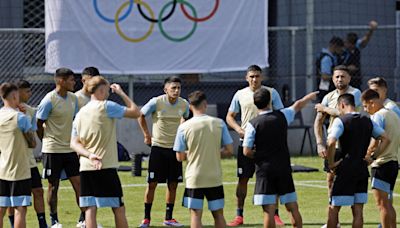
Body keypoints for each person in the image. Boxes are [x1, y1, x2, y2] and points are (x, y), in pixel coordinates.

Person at [70, 76, 141, 228]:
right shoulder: (106, 106)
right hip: (105, 165)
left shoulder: (81, 113)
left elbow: (74, 143)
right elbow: (136, 112)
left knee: (90, 208)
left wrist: (89, 155)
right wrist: (121, 93)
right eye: (108, 90)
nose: (109, 93)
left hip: (86, 166)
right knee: (118, 208)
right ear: (101, 90)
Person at [242, 88, 318, 228]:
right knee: (292, 207)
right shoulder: (282, 115)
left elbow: (246, 151)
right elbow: (298, 105)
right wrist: (309, 97)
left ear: (254, 103)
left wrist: (258, 155)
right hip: (283, 168)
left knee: (268, 212)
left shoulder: (252, 124)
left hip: (265, 170)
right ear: (270, 101)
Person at [226, 65, 285, 227]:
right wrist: (238, 129)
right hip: (246, 143)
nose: (254, 79)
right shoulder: (240, 94)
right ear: (246, 78)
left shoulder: (271, 92)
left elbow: (281, 114)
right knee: (243, 179)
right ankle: (239, 215)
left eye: (257, 76)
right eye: (251, 76)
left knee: (272, 178)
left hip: (267, 145)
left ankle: (275, 214)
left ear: (262, 77)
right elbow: (230, 116)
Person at [325, 93, 389, 228]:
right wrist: (372, 157)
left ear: (342, 105)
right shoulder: (368, 121)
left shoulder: (341, 120)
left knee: (334, 207)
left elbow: (331, 142)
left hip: (345, 168)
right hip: (361, 169)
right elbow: (385, 138)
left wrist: (331, 163)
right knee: (358, 210)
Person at [173, 90, 233, 228]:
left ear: (190, 106)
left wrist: (193, 153)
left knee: (195, 215)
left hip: (194, 177)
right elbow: (229, 150)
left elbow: (179, 157)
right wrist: (213, 152)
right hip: (214, 176)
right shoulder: (219, 123)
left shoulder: (183, 127)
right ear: (205, 104)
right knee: (218, 214)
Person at [138, 76, 189, 227]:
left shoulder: (184, 104)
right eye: (173, 88)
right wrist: (147, 135)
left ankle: (169, 218)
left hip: (175, 150)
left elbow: (186, 119)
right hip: (158, 148)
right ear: (165, 89)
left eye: (178, 88)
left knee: (173, 184)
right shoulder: (157, 102)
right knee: (152, 183)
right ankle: (146, 218)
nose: (176, 91)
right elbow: (141, 115)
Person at [314, 65, 361, 228]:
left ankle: (356, 217)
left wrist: (325, 108)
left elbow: (347, 114)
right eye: (337, 77)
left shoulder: (355, 94)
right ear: (333, 79)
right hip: (334, 145)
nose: (340, 79)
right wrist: (320, 143)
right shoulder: (328, 96)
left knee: (353, 181)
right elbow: (318, 121)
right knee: (330, 179)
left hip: (351, 146)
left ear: (349, 78)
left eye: (343, 76)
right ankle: (335, 220)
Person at [36, 68, 84, 228]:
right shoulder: (48, 100)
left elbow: (75, 121)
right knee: (53, 186)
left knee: (79, 184)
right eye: (71, 80)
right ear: (61, 81)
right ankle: (54, 220)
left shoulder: (73, 98)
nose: (74, 82)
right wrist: (46, 140)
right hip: (52, 151)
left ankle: (83, 219)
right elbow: (39, 123)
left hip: (70, 149)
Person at [7, 80, 48, 228]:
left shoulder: (30, 111)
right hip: (11, 162)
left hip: (29, 161)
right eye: (27, 91)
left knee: (38, 191)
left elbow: (31, 136)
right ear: (17, 93)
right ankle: (13, 224)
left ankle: (42, 223)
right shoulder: (6, 113)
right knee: (12, 198)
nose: (30, 94)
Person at [361, 89, 400, 228]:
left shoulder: (377, 116)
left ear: (372, 102)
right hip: (393, 163)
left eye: (365, 106)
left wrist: (370, 156)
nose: (365, 110)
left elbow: (377, 140)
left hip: (382, 164)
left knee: (382, 204)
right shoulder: (393, 114)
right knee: (388, 203)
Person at [0, 83, 36, 228]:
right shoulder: (20, 118)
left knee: (1, 208)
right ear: (15, 96)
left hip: (2, 169)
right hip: (19, 170)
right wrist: (24, 116)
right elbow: (32, 143)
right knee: (20, 208)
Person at [343, 20, 378, 89]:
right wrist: (347, 68)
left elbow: (364, 41)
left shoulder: (357, 47)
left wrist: (371, 30)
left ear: (351, 44)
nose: (345, 44)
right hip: (344, 79)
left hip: (355, 79)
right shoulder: (342, 50)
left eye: (347, 42)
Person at [316, 36, 345, 102]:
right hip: (326, 90)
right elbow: (325, 76)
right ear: (335, 46)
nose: (341, 51)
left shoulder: (333, 57)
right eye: (340, 49)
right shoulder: (327, 59)